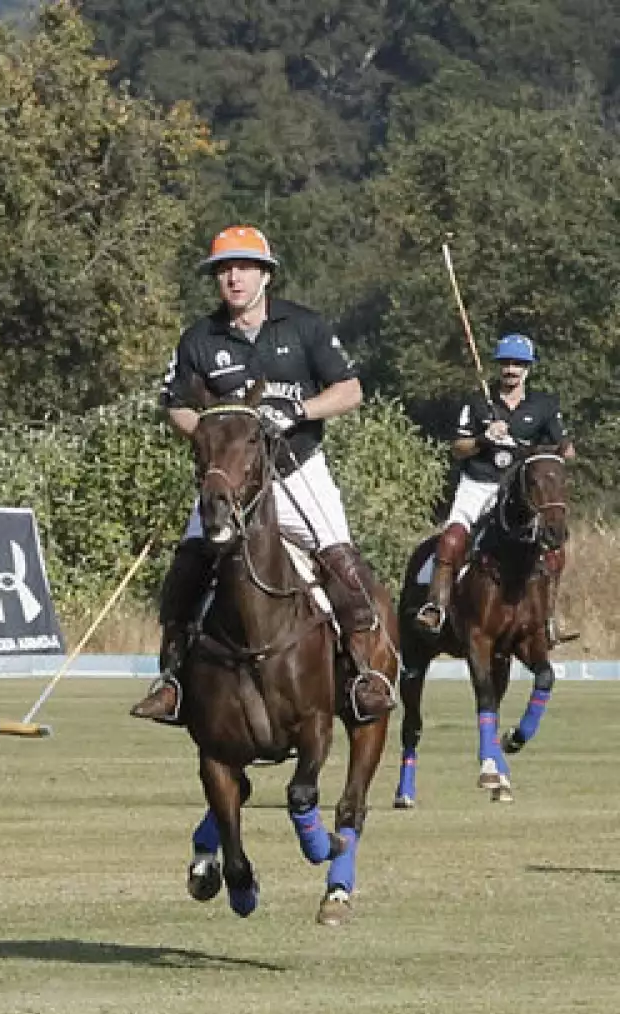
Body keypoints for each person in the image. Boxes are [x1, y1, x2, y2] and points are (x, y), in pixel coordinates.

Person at [130, 225, 394, 725]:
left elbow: (350, 390)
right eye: (224, 270)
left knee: (341, 561)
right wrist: (211, 433)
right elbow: (175, 407)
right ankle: (172, 682)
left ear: (265, 275)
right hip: (229, 480)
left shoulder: (305, 327)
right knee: (188, 564)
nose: (233, 277)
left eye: (244, 268)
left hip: (298, 470)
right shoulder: (199, 340)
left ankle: (363, 675)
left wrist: (298, 411)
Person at [415, 333, 577, 639]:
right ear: (498, 366)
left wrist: (553, 449)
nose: (512, 369)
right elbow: (458, 448)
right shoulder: (478, 403)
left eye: (518, 364)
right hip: (478, 483)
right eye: (506, 363)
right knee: (451, 539)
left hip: (520, 490)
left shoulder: (544, 405)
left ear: (529, 368)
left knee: (554, 548)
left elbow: (564, 448)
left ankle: (549, 617)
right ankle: (435, 606)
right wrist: (483, 438)